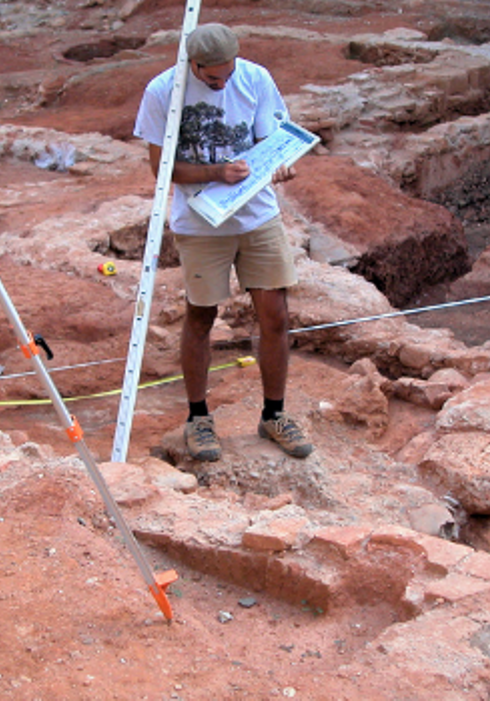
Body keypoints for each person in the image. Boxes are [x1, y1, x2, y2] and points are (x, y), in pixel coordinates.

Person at [134, 23, 314, 461]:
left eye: (227, 74)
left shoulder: (254, 78)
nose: (222, 84)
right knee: (201, 316)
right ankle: (199, 418)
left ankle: (274, 414)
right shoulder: (163, 92)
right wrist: (216, 173)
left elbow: (269, 141)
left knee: (274, 313)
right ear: (192, 64)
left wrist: (280, 163)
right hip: (200, 222)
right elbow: (162, 169)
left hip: (257, 215)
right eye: (212, 78)